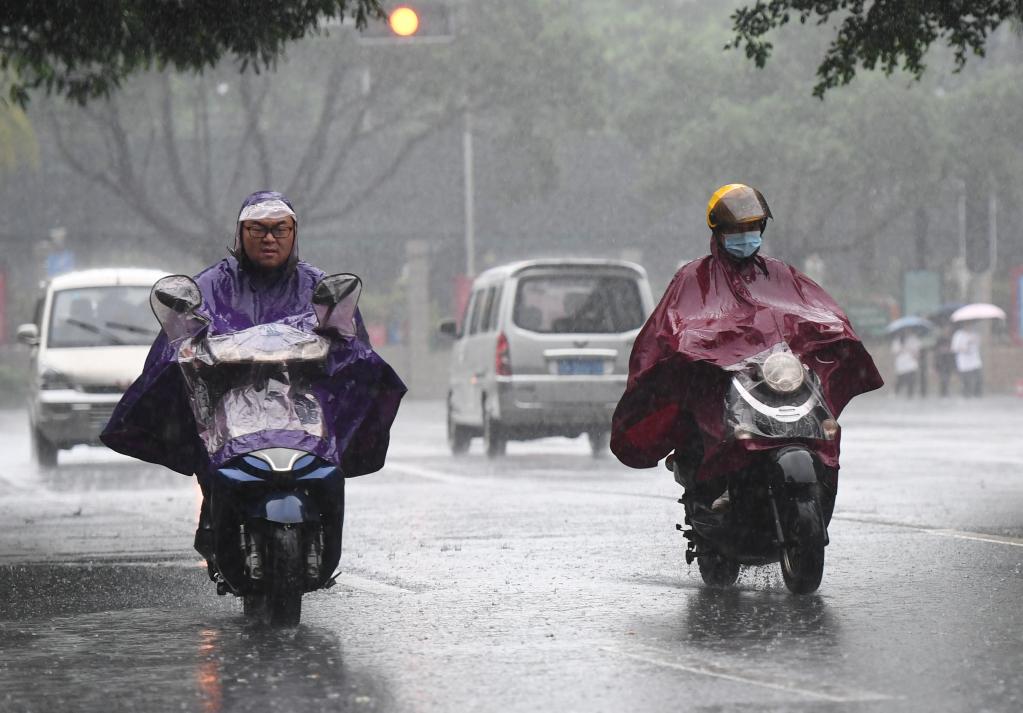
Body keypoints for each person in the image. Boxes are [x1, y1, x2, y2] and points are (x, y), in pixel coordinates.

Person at [101, 191, 407, 563]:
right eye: (258, 229)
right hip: (230, 413)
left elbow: (350, 343)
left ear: (294, 233)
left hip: (303, 413)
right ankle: (216, 523)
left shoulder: (317, 286)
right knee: (209, 457)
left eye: (280, 229)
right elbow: (175, 343)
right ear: (240, 234)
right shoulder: (212, 285)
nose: (269, 238)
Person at [610, 183, 882, 513]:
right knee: (713, 422)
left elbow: (813, 309)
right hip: (718, 381)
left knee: (822, 427)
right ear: (719, 231)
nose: (745, 235)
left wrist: (831, 329)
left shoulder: (780, 273)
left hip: (774, 379)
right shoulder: (694, 277)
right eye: (737, 229)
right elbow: (674, 325)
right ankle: (718, 487)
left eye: (752, 228)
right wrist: (704, 348)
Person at [951, 322, 983, 397]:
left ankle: (977, 394)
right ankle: (966, 395)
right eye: (967, 325)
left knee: (978, 378)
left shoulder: (975, 334)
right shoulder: (958, 335)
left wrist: (975, 340)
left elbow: (978, 344)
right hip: (964, 362)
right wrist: (964, 347)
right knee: (966, 381)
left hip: (975, 360)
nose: (969, 327)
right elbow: (954, 348)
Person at [891, 329, 921, 397]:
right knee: (900, 380)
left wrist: (913, 352)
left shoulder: (914, 339)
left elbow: (917, 351)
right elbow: (895, 352)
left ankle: (910, 394)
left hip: (911, 363)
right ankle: (895, 393)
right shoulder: (897, 341)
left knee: (911, 379)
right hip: (901, 363)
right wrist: (902, 348)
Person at [933, 322, 957, 397]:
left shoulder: (951, 339)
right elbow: (936, 352)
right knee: (943, 380)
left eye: (948, 329)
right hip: (941, 363)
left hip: (949, 363)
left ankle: (945, 394)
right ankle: (943, 394)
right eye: (946, 329)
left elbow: (953, 351)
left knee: (948, 379)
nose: (947, 330)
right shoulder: (939, 339)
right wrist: (935, 366)